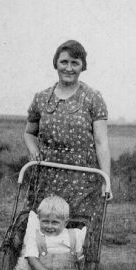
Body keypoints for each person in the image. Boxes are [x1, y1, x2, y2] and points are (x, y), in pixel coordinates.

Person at [23, 39, 112, 220]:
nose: (69, 68)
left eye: (75, 63)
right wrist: (33, 150)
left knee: (78, 233)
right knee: (44, 228)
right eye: (64, 62)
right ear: (56, 63)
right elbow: (29, 133)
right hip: (46, 177)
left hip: (83, 181)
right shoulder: (41, 98)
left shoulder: (93, 98)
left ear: (82, 66)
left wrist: (106, 180)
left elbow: (101, 143)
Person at [18, 195, 86, 270]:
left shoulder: (74, 235)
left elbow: (81, 259)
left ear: (65, 223)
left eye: (55, 222)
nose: (49, 226)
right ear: (39, 218)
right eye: (45, 221)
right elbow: (31, 258)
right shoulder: (36, 236)